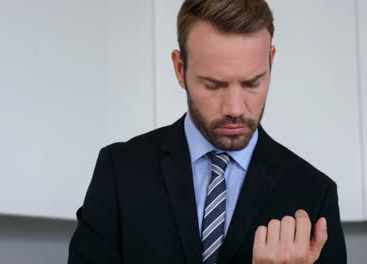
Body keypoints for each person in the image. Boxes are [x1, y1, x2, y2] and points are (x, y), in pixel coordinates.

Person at [68, 0, 347, 263]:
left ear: (271, 62)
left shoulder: (314, 194)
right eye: (213, 85)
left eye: (252, 83)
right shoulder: (119, 172)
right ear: (180, 69)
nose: (235, 109)